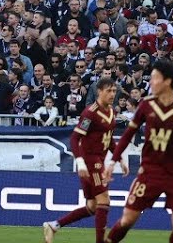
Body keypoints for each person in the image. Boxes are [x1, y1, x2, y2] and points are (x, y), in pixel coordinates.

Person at [106, 59, 173, 243]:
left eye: (154, 78)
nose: (151, 82)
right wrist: (113, 161)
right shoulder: (146, 105)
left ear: (167, 81)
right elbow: (128, 134)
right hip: (149, 172)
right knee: (127, 219)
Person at [44, 77, 120, 243]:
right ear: (99, 91)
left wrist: (119, 158)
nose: (112, 94)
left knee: (93, 207)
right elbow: (74, 138)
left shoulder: (111, 110)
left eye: (114, 91)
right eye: (109, 90)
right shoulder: (90, 113)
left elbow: (108, 138)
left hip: (99, 160)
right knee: (104, 201)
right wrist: (80, 162)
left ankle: (54, 225)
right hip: (91, 162)